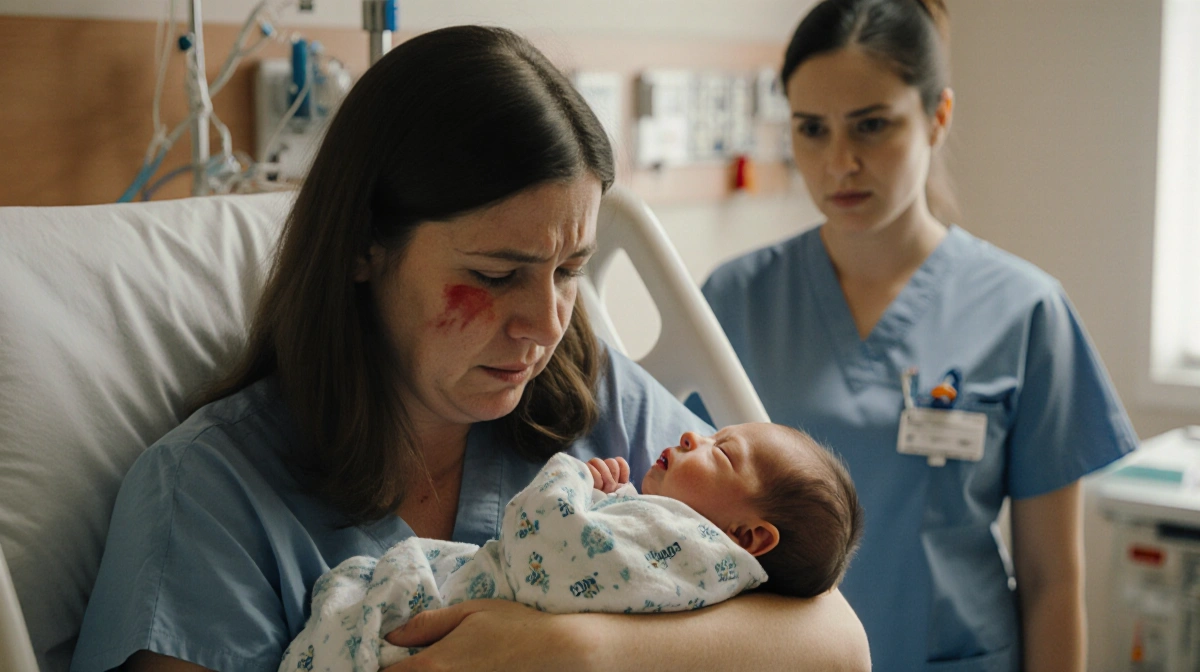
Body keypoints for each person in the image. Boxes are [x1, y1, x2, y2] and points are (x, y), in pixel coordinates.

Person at [70, 25, 869, 672]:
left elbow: (838, 644)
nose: (546, 324)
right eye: (496, 274)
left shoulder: (592, 399)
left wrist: (577, 650)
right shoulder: (211, 497)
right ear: (362, 246)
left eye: (570, 271)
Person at [687, 1, 1138, 670]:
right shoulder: (733, 299)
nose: (839, 162)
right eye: (812, 129)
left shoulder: (1023, 311)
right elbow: (679, 530)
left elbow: (1052, 582)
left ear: (938, 116)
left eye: (872, 125)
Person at [281, 423, 862, 672]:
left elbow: (547, 544)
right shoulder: (699, 557)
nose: (692, 435)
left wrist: (572, 482)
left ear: (751, 537)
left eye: (722, 451)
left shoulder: (686, 540)